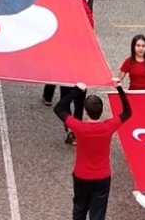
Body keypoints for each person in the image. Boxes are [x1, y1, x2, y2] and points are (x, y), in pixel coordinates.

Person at [55, 79, 131, 220]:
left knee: (80, 208)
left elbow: (58, 108)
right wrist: (119, 88)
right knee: (98, 213)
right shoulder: (108, 126)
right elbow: (127, 112)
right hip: (102, 176)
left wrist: (75, 91)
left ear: (86, 110)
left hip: (82, 175)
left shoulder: (79, 128)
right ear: (101, 111)